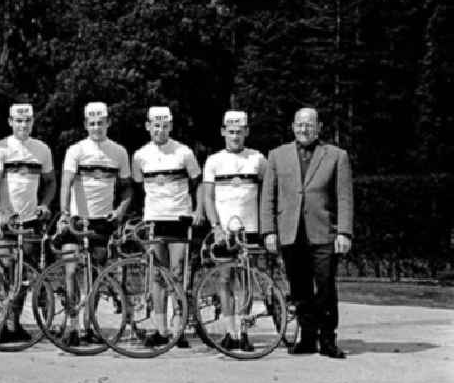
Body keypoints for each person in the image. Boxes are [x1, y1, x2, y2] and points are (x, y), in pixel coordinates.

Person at [261, 107, 353, 358]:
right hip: (291, 233)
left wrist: (344, 232)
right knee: (300, 289)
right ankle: (307, 337)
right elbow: (268, 197)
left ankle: (328, 340)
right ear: (293, 126)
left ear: (319, 127)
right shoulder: (277, 156)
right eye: (300, 124)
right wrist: (268, 230)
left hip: (324, 232)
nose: (304, 129)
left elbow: (344, 198)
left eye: (309, 125)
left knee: (325, 288)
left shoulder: (337, 156)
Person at [58, 101, 133, 345]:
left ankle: (87, 326)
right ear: (85, 125)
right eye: (92, 124)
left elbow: (127, 189)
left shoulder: (119, 152)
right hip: (77, 219)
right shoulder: (76, 150)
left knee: (94, 277)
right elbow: (66, 183)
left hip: (102, 222)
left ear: (108, 123)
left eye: (101, 123)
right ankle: (71, 325)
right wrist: (64, 214)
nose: (96, 128)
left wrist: (121, 210)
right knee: (71, 271)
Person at [131, 106, 202, 348]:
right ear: (148, 126)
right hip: (154, 219)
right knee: (157, 275)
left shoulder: (184, 152)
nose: (160, 130)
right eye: (155, 125)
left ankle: (178, 328)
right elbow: (140, 186)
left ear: (170, 126)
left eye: (164, 126)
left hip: (179, 219)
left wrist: (197, 211)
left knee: (178, 273)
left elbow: (198, 184)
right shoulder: (140, 155)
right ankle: (160, 329)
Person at [0, 102, 56, 342]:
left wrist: (45, 204)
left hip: (29, 220)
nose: (23, 125)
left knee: (22, 275)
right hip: (6, 220)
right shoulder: (1, 147)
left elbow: (50, 182)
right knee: (5, 270)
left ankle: (13, 324)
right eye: (18, 121)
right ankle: (0, 324)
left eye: (27, 121)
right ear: (10, 122)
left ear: (32, 122)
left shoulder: (42, 149)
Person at [203, 110, 267, 351]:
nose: (235, 136)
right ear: (223, 132)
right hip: (223, 230)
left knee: (247, 281)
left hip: (249, 228)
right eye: (231, 132)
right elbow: (208, 197)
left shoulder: (258, 159)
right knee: (224, 279)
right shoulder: (214, 160)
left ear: (247, 132)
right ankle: (230, 332)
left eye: (240, 132)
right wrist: (215, 226)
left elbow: (267, 192)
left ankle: (244, 331)